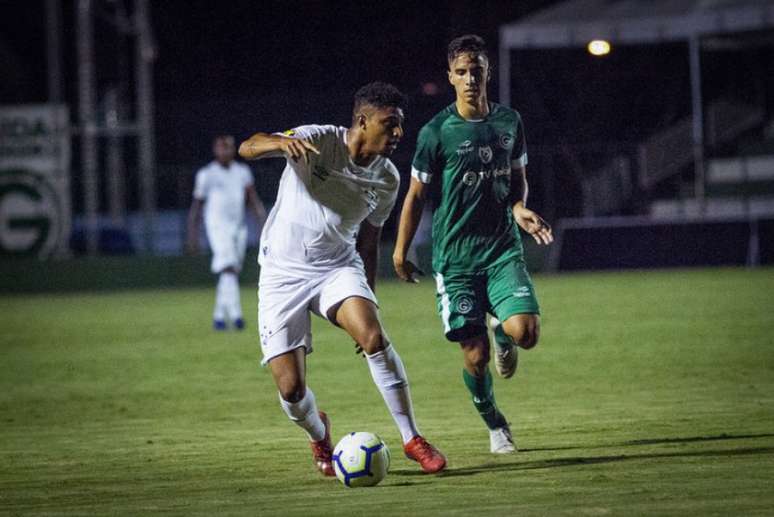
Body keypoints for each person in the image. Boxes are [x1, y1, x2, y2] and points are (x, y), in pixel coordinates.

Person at [238, 82, 446, 476]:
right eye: (390, 124)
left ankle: (412, 438)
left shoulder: (387, 179)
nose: (398, 134)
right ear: (363, 121)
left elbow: (370, 241)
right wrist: (279, 145)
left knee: (373, 337)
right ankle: (318, 433)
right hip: (282, 274)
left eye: (400, 125)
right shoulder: (317, 140)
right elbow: (248, 146)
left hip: (337, 267)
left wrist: (367, 297)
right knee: (291, 391)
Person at [392, 35, 553, 454]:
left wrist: (519, 208)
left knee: (527, 334)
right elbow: (414, 196)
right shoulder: (435, 132)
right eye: (461, 72)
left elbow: (518, 179)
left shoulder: (509, 122)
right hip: (457, 260)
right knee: (474, 355)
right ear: (450, 77)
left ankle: (504, 332)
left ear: (487, 72)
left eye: (476, 70)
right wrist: (400, 250)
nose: (469, 79)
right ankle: (496, 424)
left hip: (501, 250)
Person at [187, 135, 267, 331]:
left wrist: (262, 223)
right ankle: (236, 315)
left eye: (229, 148)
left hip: (238, 227)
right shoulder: (206, 174)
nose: (226, 151)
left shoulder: (242, 172)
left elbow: (252, 198)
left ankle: (219, 317)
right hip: (216, 226)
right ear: (215, 150)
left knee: (230, 271)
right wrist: (192, 235)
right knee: (229, 267)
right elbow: (196, 206)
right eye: (222, 148)